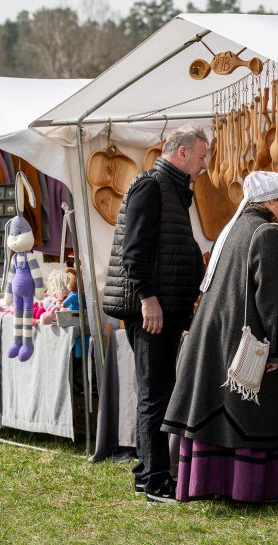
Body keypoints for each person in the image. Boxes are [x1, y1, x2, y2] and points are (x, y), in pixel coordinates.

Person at [161, 171, 278, 504]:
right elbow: (274, 298)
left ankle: (210, 483)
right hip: (243, 340)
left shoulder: (234, 229)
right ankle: (246, 487)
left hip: (216, 332)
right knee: (247, 414)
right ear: (268, 201)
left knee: (217, 411)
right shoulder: (268, 234)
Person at [101, 125, 208, 503]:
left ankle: (148, 472)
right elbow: (135, 250)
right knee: (154, 393)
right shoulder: (151, 186)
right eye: (200, 156)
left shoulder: (174, 190)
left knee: (158, 390)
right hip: (151, 311)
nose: (203, 163)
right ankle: (155, 480)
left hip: (166, 307)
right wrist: (148, 298)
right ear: (181, 154)